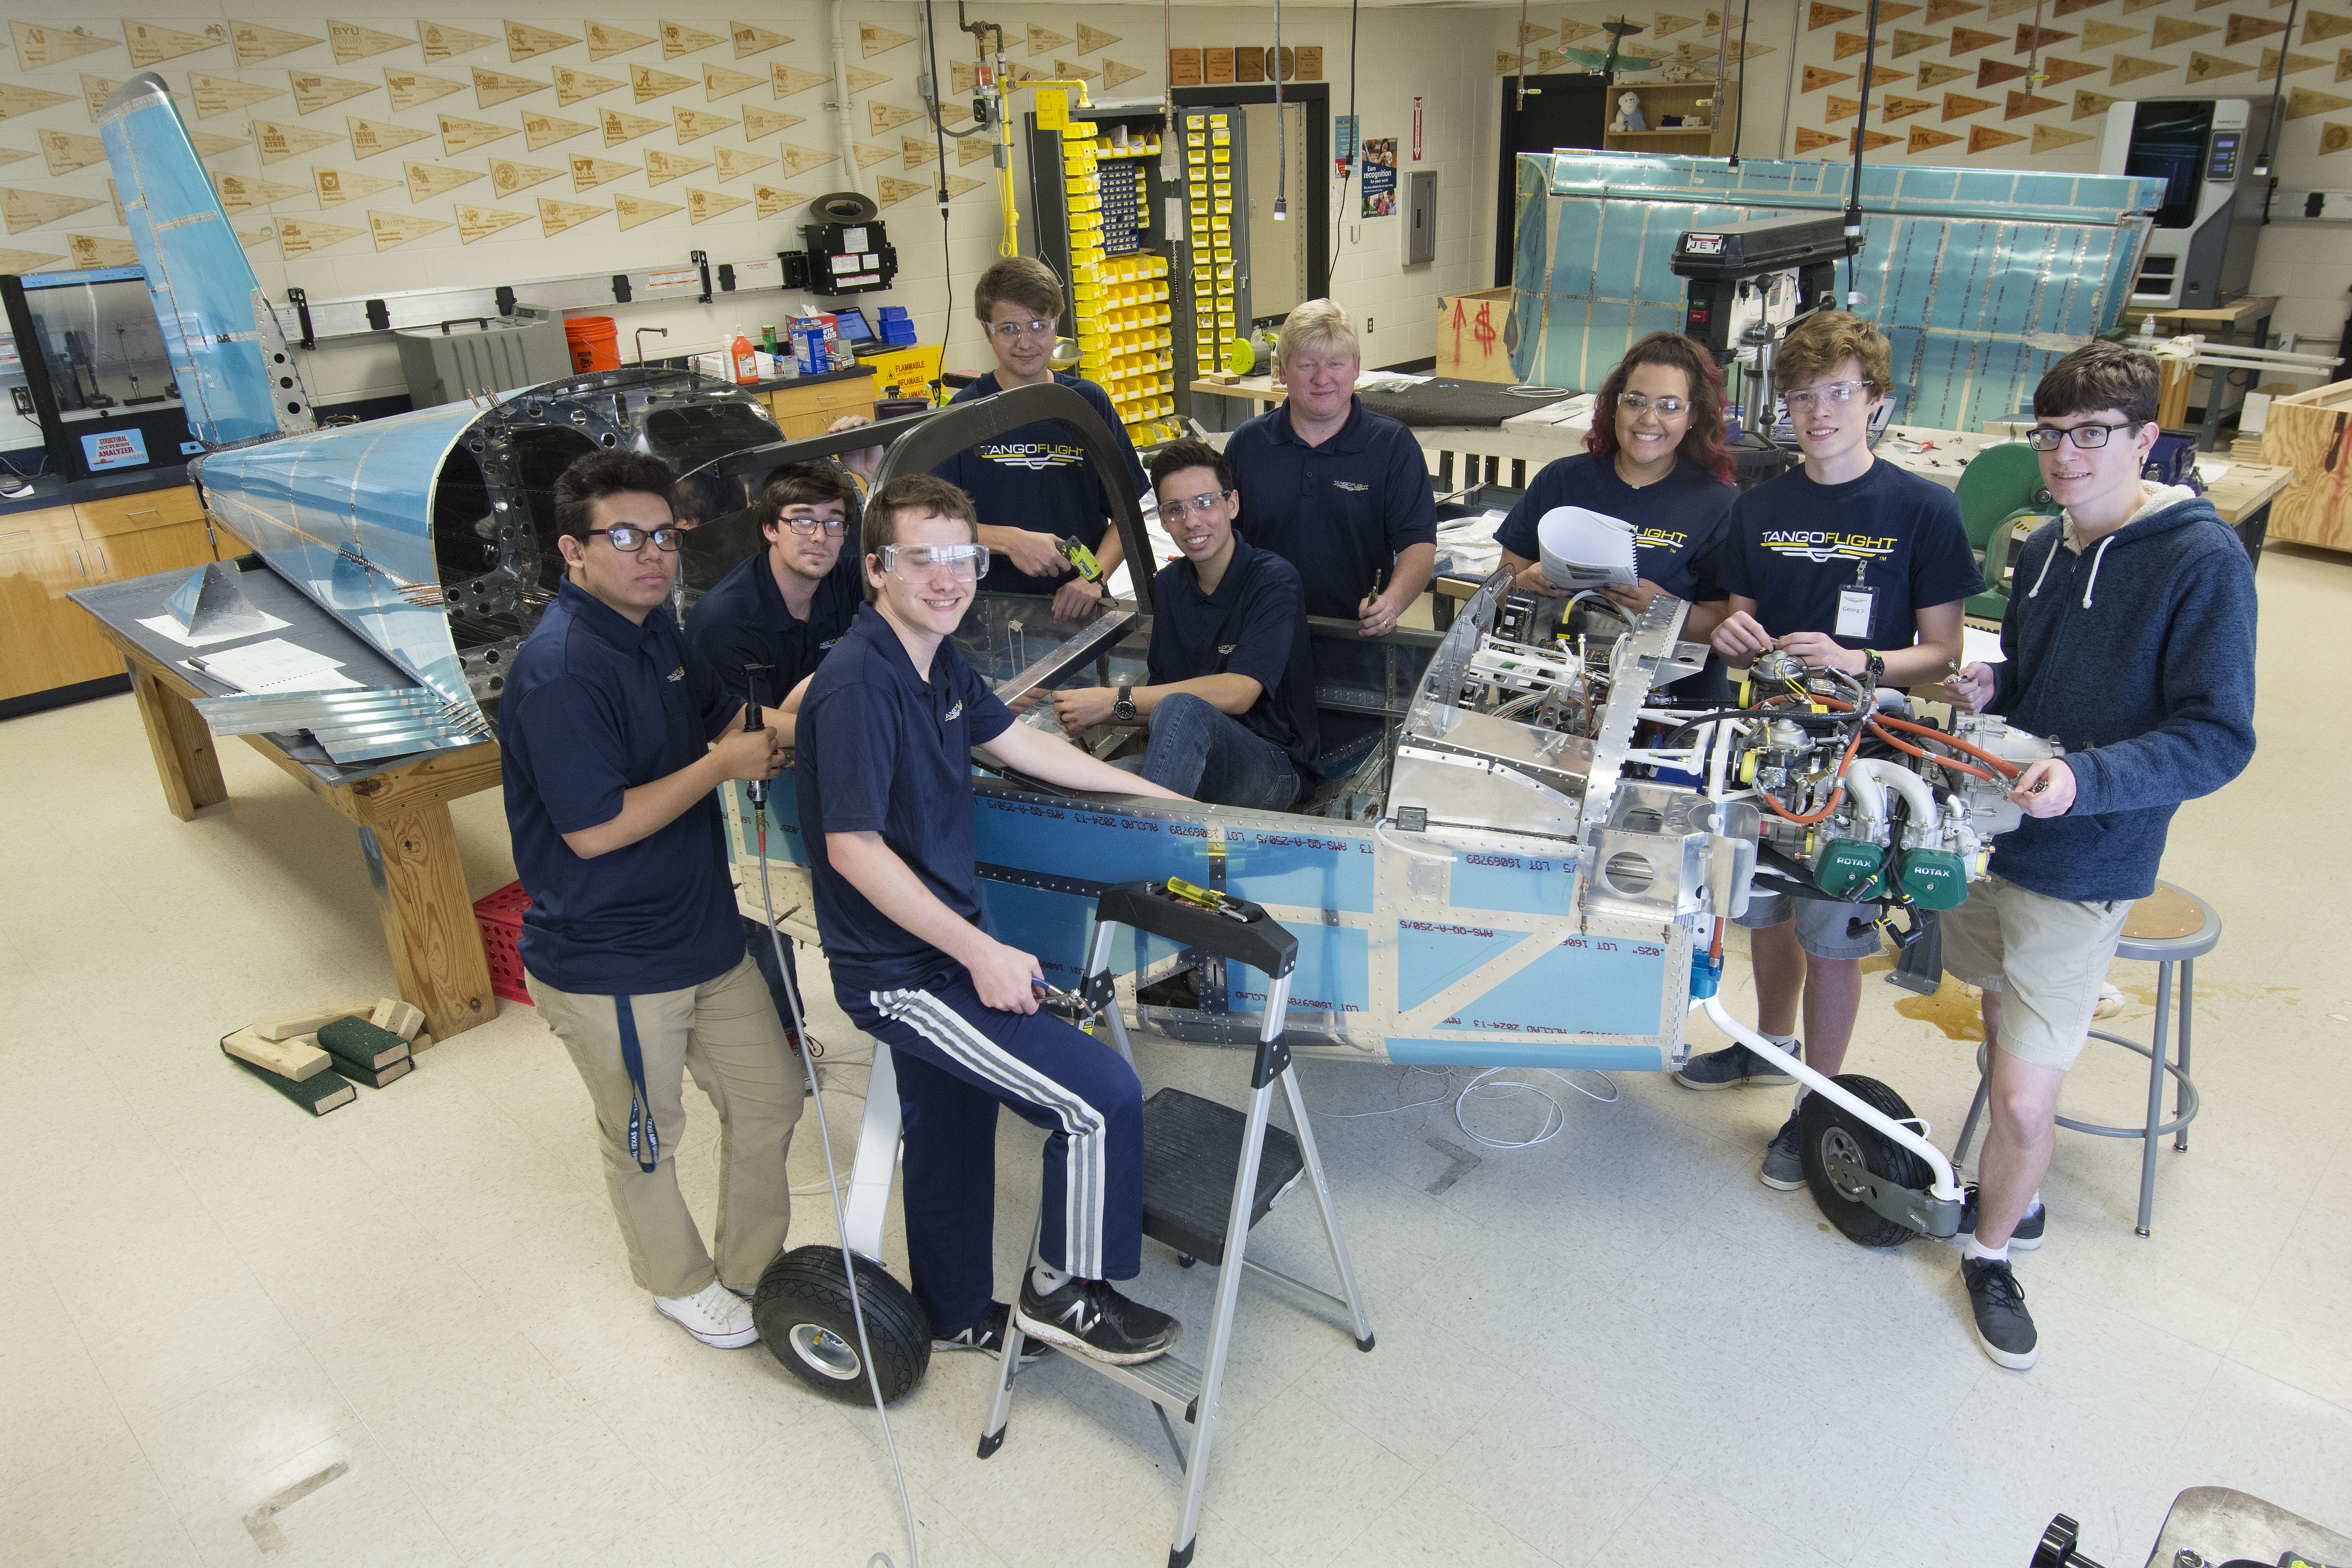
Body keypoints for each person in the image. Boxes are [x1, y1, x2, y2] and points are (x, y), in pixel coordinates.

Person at [796, 472, 1194, 1363]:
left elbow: (1021, 745)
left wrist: (1155, 794)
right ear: (876, 569)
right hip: (901, 974)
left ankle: (953, 1311)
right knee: (1100, 1097)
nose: (947, 578)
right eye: (921, 558)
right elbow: (855, 850)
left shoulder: (935, 660)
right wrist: (982, 952)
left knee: (954, 1128)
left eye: (962, 557)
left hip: (943, 948)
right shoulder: (860, 684)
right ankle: (1067, 1290)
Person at [1940, 342, 2256, 1370]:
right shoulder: (2040, 549)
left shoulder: (2200, 562)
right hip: (2005, 830)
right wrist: (1996, 696)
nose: (2066, 456)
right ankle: (2013, 1194)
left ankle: (1992, 1253)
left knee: (2028, 1092)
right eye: (2050, 434)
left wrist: (2089, 782)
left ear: (2145, 440)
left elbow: (2218, 736)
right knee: (2000, 1021)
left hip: (2092, 856)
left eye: (2092, 435)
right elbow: (2033, 683)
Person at [500, 450, 802, 1350]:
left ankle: (751, 1267)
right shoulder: (559, 669)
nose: (650, 553)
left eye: (664, 536)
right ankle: (677, 1283)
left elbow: (728, 722)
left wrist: (850, 716)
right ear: (572, 551)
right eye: (624, 536)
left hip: (704, 930)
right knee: (647, 1132)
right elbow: (593, 830)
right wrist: (719, 768)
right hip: (612, 959)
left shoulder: (656, 631)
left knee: (772, 1098)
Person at [1678, 310, 1982, 1190]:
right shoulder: (1760, 506)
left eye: (1839, 393)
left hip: (1865, 752)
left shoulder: (1922, 509)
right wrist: (1735, 635)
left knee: (1835, 935)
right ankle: (1772, 1048)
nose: (1819, 413)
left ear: (1876, 402)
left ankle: (1821, 1102)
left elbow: (1943, 653)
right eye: (1802, 396)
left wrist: (1862, 660)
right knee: (1766, 909)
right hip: (1769, 740)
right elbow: (1742, 614)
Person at [686, 461, 864, 1061]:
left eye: (834, 524)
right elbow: (743, 731)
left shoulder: (844, 581)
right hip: (744, 773)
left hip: (821, 746)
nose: (820, 537)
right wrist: (839, 715)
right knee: (765, 906)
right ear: (769, 528)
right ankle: (780, 1035)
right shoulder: (723, 621)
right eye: (803, 522)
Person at [1050, 440, 1319, 810]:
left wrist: (1113, 701)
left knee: (1182, 709)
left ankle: (1153, 854)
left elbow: (1238, 694)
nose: (1191, 521)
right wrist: (1094, 712)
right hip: (1190, 763)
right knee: (1081, 786)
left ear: (1233, 504)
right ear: (1162, 519)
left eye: (1205, 502)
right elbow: (1159, 707)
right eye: (1175, 509)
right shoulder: (1170, 585)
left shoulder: (1273, 580)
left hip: (1272, 770)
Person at [1493, 330, 1738, 701]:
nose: (1649, 419)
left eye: (1670, 406)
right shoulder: (1561, 480)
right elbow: (1498, 591)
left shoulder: (1717, 503)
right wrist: (1526, 583)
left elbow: (1725, 632)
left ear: (1693, 417)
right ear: (1615, 406)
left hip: (1667, 706)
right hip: (1555, 692)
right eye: (1636, 402)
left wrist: (1663, 612)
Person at [931, 255, 1149, 621]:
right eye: (1008, 329)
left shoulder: (1087, 404)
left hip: (1079, 607)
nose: (1025, 342)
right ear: (986, 329)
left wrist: (1094, 579)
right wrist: (1011, 542)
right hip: (989, 613)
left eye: (1038, 325)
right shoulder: (962, 413)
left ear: (1057, 323)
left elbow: (1128, 513)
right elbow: (933, 525)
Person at [1221, 299, 1437, 637]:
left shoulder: (1393, 446)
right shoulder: (1248, 445)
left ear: (1356, 368)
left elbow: (1419, 544)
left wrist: (1390, 605)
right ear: (1282, 369)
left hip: (1359, 638)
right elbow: (1224, 539)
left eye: (1336, 364)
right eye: (1307, 365)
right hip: (1264, 635)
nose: (1323, 379)